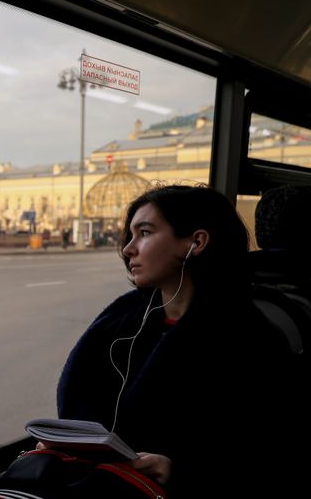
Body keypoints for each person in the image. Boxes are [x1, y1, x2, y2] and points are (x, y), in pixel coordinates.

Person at [54, 184, 299, 497]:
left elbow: (263, 448)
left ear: (195, 242)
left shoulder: (249, 339)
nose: (128, 248)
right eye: (130, 235)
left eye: (144, 232)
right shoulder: (119, 321)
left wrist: (178, 469)